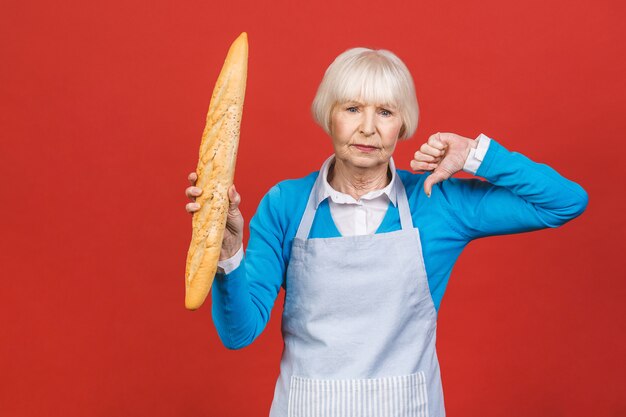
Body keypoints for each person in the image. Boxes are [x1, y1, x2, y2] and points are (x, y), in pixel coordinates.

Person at [185, 47, 588, 417]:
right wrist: (229, 251)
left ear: (403, 124)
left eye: (385, 112)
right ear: (329, 115)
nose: (368, 128)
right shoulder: (285, 204)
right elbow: (239, 333)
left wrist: (475, 154)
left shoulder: (437, 202)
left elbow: (565, 201)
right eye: (352, 108)